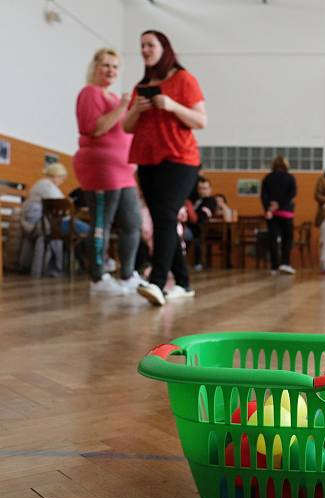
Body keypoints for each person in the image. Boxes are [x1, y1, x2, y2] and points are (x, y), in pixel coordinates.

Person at [123, 30, 207, 306]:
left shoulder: (184, 79)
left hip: (180, 159)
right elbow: (127, 126)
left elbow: (200, 120)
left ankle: (158, 282)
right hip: (147, 160)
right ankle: (182, 282)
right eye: (142, 45)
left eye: (150, 45)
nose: (145, 50)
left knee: (165, 215)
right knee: (163, 219)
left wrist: (171, 105)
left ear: (164, 48)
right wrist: (137, 109)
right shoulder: (141, 86)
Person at [74, 47, 143, 295]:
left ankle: (127, 275)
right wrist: (123, 106)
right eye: (105, 65)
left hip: (123, 170)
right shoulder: (90, 93)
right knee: (102, 222)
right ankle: (98, 277)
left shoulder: (113, 98)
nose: (111, 70)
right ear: (94, 67)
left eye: (115, 66)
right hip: (101, 169)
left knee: (133, 223)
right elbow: (95, 128)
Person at [261, 155, 297, 274]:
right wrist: (280, 204)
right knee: (287, 238)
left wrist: (268, 209)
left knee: (273, 238)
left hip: (271, 213)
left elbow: (263, 195)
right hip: (286, 212)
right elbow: (292, 194)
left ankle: (274, 266)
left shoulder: (268, 178)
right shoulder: (290, 178)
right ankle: (285, 263)